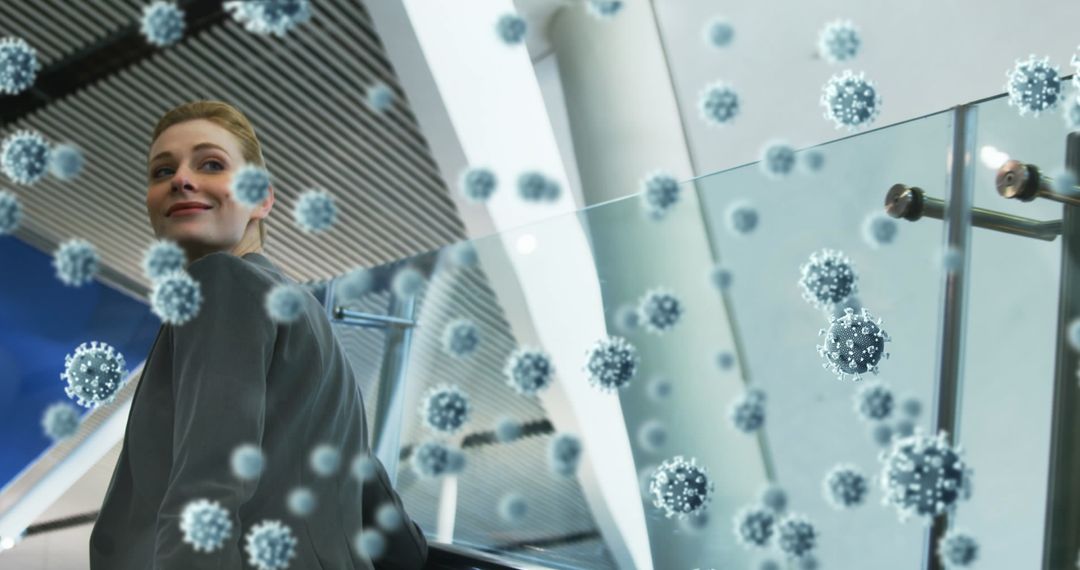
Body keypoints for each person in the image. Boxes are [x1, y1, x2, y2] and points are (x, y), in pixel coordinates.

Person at [89, 100, 427, 569]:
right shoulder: (303, 312)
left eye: (210, 164)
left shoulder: (221, 282)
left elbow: (205, 496)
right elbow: (372, 494)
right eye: (161, 171)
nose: (180, 180)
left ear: (262, 198)